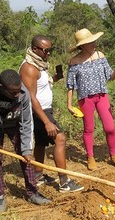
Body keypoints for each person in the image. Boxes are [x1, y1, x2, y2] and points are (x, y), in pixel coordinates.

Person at [0, 69, 51, 213]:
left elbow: (26, 123)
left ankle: (32, 192)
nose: (17, 95)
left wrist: (26, 149)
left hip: (14, 124)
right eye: (13, 92)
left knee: (26, 158)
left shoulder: (23, 94)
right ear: (1, 88)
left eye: (19, 90)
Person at [19, 35, 84, 193]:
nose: (49, 54)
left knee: (41, 143)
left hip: (43, 109)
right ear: (35, 49)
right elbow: (31, 97)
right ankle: (64, 182)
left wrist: (54, 78)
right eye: (46, 51)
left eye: (51, 50)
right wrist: (47, 122)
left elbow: (40, 86)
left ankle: (38, 175)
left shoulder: (39, 64)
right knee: (60, 138)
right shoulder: (29, 67)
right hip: (38, 111)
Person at [66, 28, 115, 171]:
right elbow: (70, 85)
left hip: (102, 96)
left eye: (93, 41)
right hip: (85, 99)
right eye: (90, 42)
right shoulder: (74, 62)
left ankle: (113, 156)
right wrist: (69, 105)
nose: (94, 43)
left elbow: (110, 77)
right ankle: (90, 157)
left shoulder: (100, 56)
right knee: (89, 128)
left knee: (110, 127)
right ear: (82, 45)